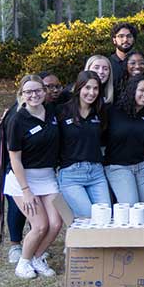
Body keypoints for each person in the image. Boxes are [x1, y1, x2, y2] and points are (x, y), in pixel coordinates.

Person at [4, 75, 62, 279]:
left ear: (44, 92)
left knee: (56, 223)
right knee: (40, 225)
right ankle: (23, 263)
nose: (34, 95)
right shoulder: (17, 119)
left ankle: (37, 258)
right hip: (23, 181)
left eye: (38, 90)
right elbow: (15, 160)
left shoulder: (53, 113)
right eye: (28, 92)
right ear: (22, 95)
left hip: (47, 177)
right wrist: (26, 191)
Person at [56, 71, 111, 218]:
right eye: (87, 88)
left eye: (95, 88)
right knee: (86, 217)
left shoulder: (100, 112)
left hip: (96, 173)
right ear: (79, 88)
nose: (91, 93)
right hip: (71, 174)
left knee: (105, 216)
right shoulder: (62, 111)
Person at [104, 75, 144, 204]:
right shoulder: (113, 111)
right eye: (141, 90)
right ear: (132, 89)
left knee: (143, 210)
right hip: (119, 166)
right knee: (131, 206)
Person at [109, 22, 144, 89]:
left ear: (134, 39)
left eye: (129, 36)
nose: (125, 40)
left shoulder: (141, 63)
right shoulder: (108, 64)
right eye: (121, 36)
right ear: (114, 40)